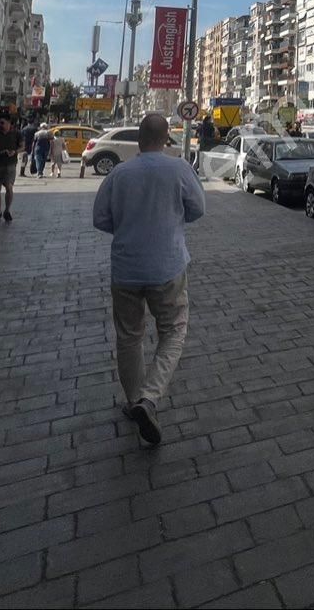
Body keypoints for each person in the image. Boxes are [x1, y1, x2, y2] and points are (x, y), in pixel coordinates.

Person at [92, 113, 205, 445]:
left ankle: (133, 402)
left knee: (129, 337)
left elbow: (100, 217)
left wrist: (128, 227)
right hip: (167, 266)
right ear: (167, 138)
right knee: (173, 331)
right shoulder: (179, 168)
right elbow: (198, 209)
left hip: (126, 267)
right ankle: (149, 398)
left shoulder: (120, 172)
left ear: (138, 139)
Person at [0, 115, 23, 223]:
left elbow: (23, 146)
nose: (0, 125)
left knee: (9, 187)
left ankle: (7, 210)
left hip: (10, 165)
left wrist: (15, 152)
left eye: (2, 123)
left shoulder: (16, 134)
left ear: (9, 123)